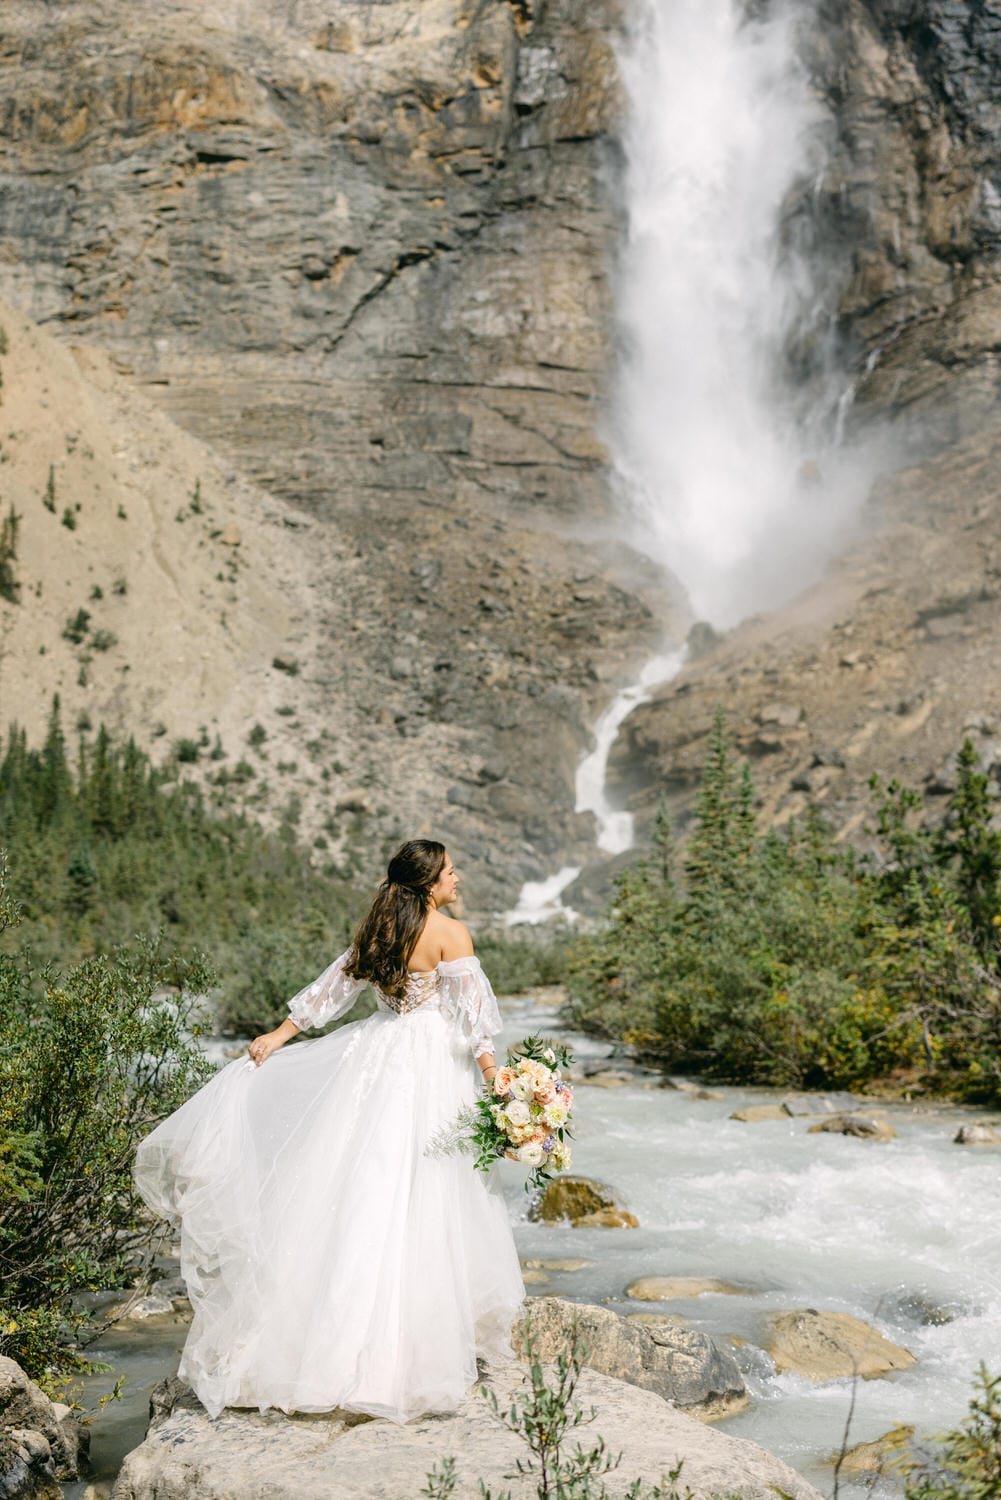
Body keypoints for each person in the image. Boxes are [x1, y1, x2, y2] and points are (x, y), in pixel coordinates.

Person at [133, 839, 524, 1423]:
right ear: (429, 884)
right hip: (431, 1070)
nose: (457, 878)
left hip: (378, 1060)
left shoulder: (381, 932)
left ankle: (322, 1350)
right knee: (428, 1194)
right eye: (449, 872)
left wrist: (276, 1037)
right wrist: (497, 1079)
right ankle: (411, 1355)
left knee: (358, 1190)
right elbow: (476, 1026)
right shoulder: (451, 934)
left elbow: (330, 994)